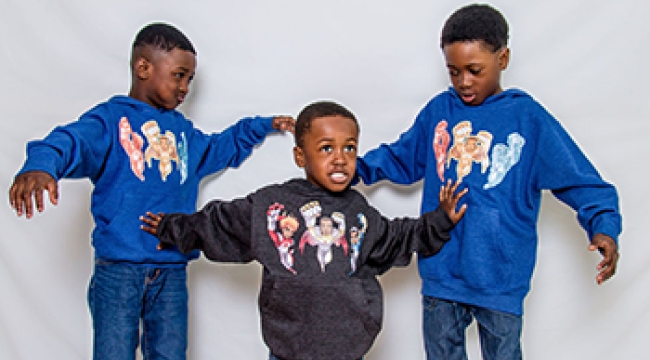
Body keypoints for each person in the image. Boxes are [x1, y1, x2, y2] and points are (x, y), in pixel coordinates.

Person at [8, 22, 294, 360]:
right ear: (143, 67)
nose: (185, 87)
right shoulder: (111, 121)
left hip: (171, 268)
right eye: (179, 75)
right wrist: (40, 166)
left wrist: (261, 126)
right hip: (119, 270)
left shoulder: (184, 134)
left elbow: (220, 147)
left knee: (171, 354)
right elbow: (69, 141)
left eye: (190, 79)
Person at [355, 4, 622, 360]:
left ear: (503, 58)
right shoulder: (440, 112)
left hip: (500, 279)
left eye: (474, 70)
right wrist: (351, 169)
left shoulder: (528, 119)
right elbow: (401, 157)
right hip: (442, 273)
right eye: (454, 72)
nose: (464, 82)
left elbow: (581, 180)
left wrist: (603, 227)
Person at [140, 101, 468, 360]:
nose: (340, 159)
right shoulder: (272, 205)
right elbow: (219, 223)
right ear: (300, 155)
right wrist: (173, 227)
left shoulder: (359, 212)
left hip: (347, 347)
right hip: (289, 346)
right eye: (326, 148)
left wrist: (440, 220)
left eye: (349, 147)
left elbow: (398, 237)